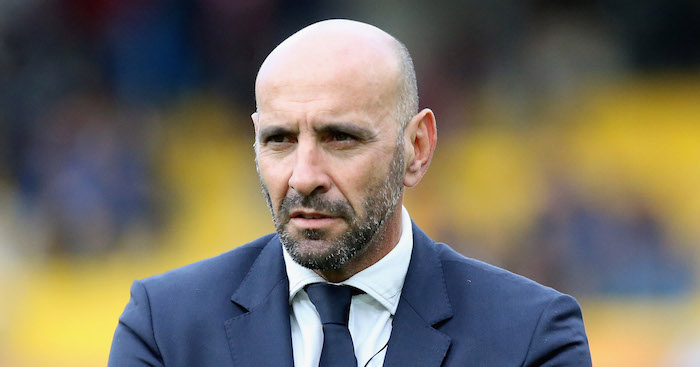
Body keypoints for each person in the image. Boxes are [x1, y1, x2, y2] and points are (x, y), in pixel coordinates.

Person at [109, 19, 592, 366]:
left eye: (339, 137)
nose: (303, 176)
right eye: (279, 140)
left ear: (417, 148)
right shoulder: (164, 327)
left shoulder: (530, 336)